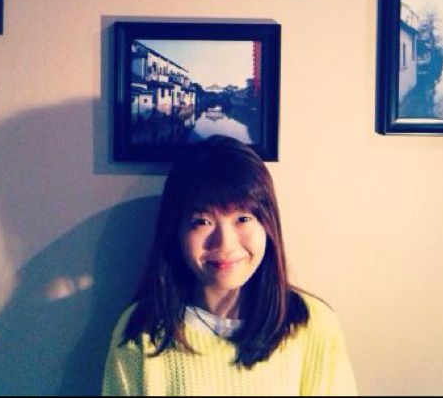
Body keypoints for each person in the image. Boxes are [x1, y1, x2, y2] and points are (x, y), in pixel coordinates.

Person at [102, 136, 357, 396]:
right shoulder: (141, 331)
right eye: (202, 221)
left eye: (243, 218)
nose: (225, 243)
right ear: (175, 232)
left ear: (268, 226)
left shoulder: (311, 324)